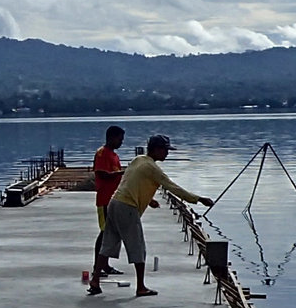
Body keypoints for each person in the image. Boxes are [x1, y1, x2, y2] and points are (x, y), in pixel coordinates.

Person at [90, 134, 213, 298]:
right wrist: (199, 199)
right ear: (156, 149)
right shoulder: (152, 168)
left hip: (115, 203)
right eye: (165, 150)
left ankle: (95, 281)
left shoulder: (138, 160)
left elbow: (129, 183)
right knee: (138, 247)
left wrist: (149, 200)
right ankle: (140, 287)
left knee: (108, 244)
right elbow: (173, 188)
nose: (167, 154)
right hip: (127, 207)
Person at [88, 124, 127, 281]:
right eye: (120, 139)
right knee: (104, 233)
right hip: (104, 199)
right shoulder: (102, 154)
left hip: (114, 199)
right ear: (111, 137)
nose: (121, 142)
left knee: (111, 233)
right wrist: (124, 172)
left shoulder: (114, 155)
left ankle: (105, 265)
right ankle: (97, 266)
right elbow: (102, 174)